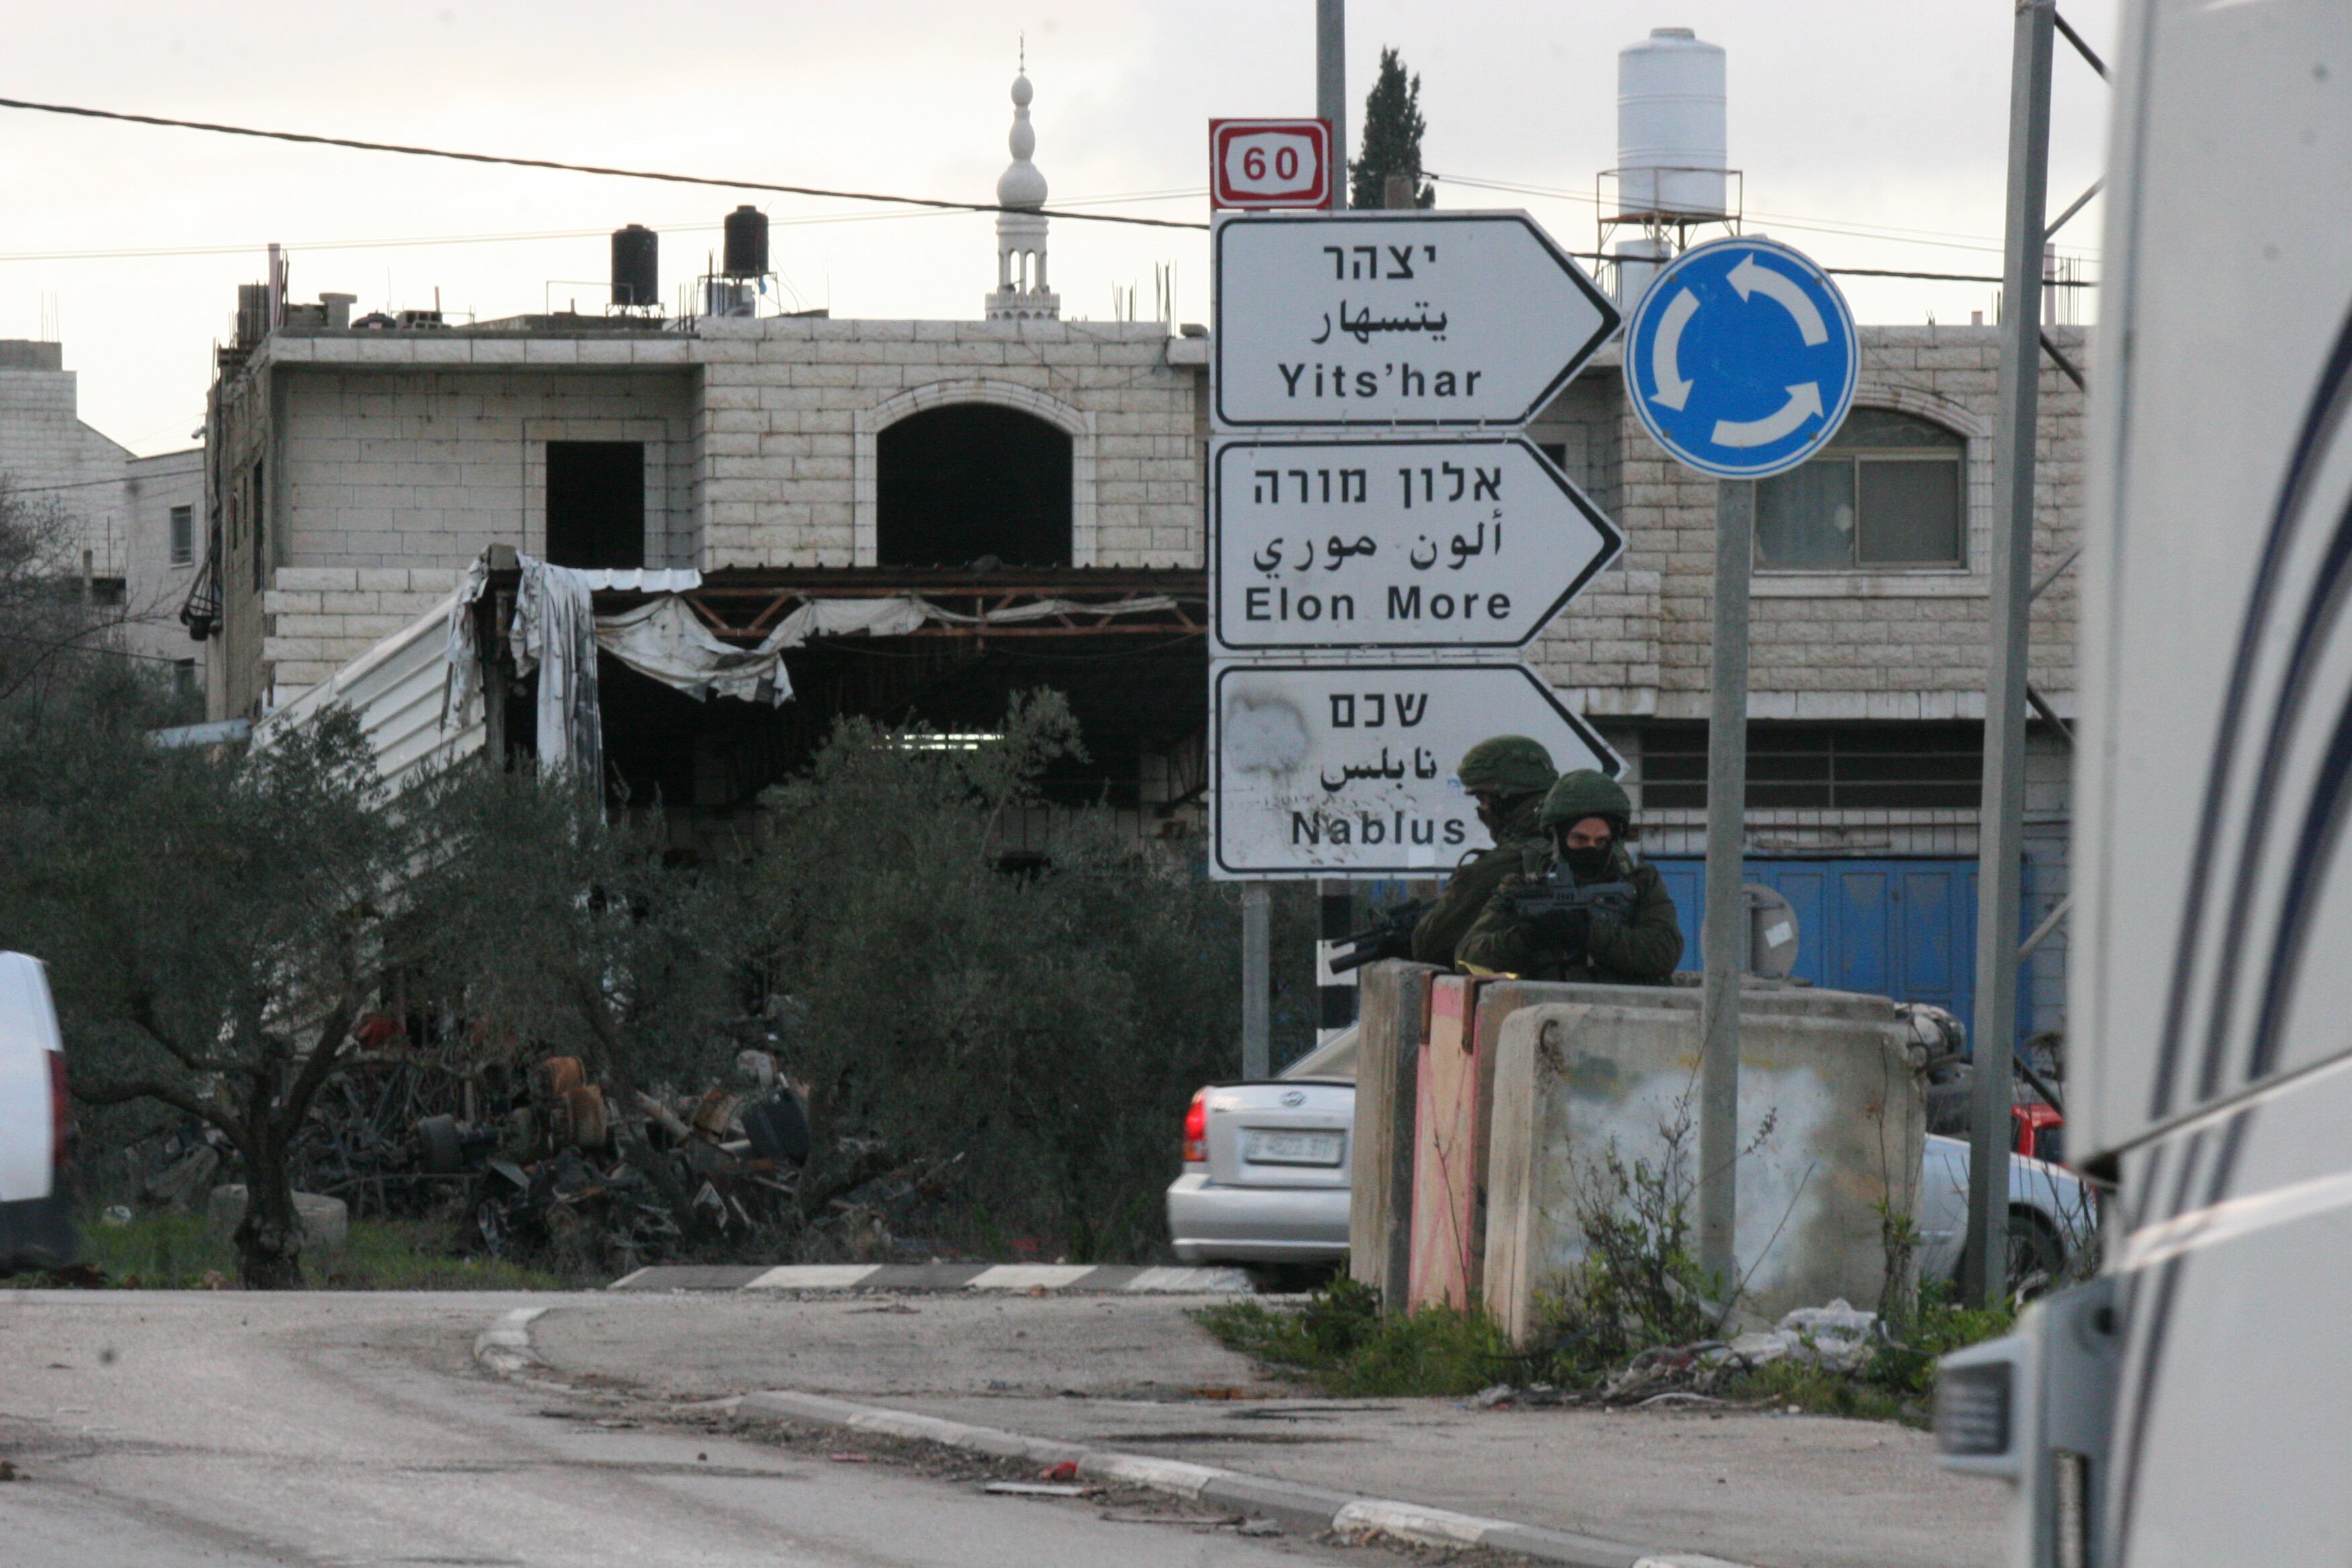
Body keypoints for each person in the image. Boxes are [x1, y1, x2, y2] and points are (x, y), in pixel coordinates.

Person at [1455, 769, 1682, 984]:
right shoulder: (1521, 886)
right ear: (1558, 838)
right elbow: (1467, 960)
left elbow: (1663, 952)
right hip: (1544, 1016)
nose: (1591, 848)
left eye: (1601, 841)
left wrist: (1586, 932)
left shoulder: (1640, 883)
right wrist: (1526, 938)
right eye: (1579, 840)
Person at [1408, 736, 1559, 967]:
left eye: (1482, 800)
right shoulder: (1596, 845)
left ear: (1502, 801)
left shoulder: (1497, 866)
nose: (1481, 811)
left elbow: (1429, 945)